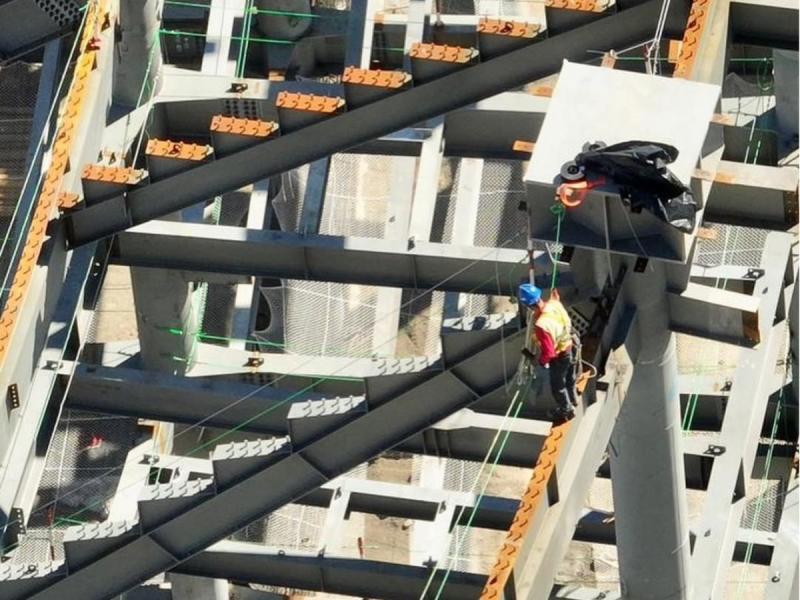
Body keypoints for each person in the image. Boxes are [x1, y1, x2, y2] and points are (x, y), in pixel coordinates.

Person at [519, 283, 577, 423]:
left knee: (557, 386)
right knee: (570, 376)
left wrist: (540, 362)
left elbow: (549, 353)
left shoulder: (541, 326)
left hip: (561, 355)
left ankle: (567, 410)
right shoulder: (553, 304)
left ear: (527, 305)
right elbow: (555, 298)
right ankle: (573, 398)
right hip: (571, 344)